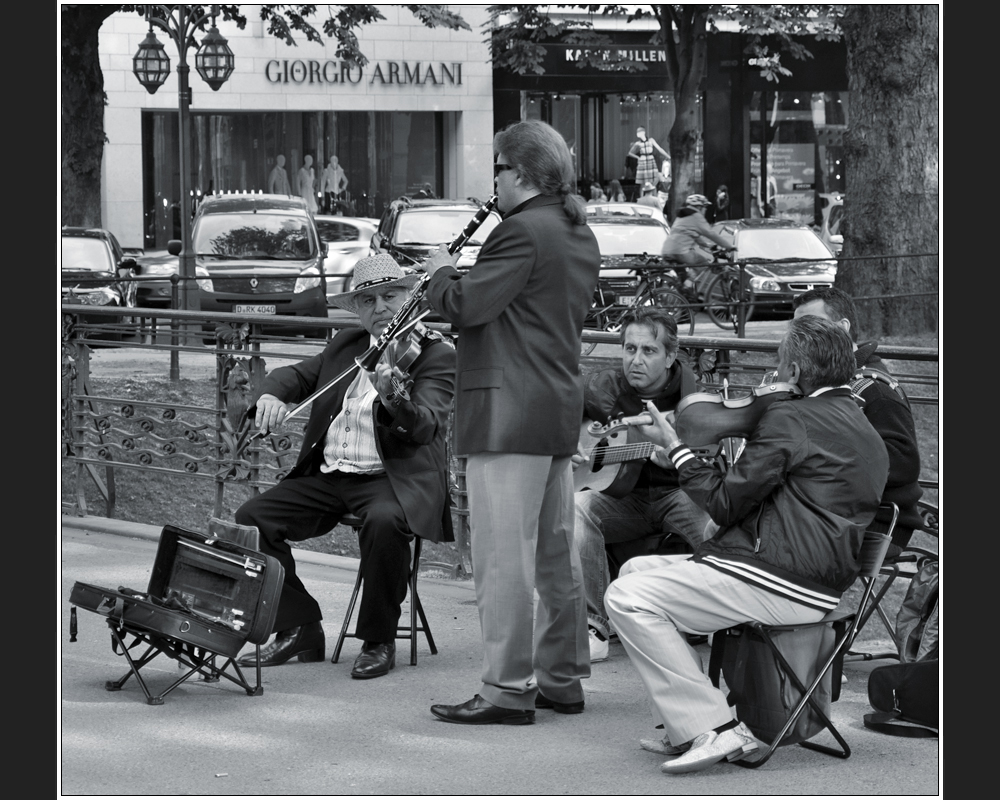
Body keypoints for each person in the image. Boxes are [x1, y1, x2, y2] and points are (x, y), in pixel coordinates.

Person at [604, 315, 889, 775]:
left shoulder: (791, 416)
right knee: (635, 572)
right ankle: (684, 725)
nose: (774, 378)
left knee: (626, 598)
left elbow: (722, 502)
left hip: (780, 579)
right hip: (818, 581)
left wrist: (677, 449)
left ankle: (711, 728)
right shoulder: (860, 422)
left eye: (778, 367)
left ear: (795, 372)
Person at [422, 119, 601, 725]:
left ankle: (506, 689)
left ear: (521, 173)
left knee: (504, 560)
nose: (491, 180)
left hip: (506, 414)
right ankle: (562, 677)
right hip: (553, 409)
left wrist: (443, 270)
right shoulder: (576, 230)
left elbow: (469, 305)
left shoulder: (520, 232)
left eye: (496, 168)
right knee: (555, 555)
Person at [233, 254, 456, 679]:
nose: (381, 309)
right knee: (253, 519)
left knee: (386, 522)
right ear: (357, 310)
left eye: (390, 296)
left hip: (391, 478)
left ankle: (378, 639)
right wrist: (270, 396)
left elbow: (426, 426)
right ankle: (299, 626)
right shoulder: (346, 345)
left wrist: (394, 398)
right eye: (368, 301)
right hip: (332, 473)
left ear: (412, 296)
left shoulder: (435, 354)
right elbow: (294, 375)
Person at [572, 307, 710, 663]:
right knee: (577, 508)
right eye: (629, 349)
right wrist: (567, 439)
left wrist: (676, 451)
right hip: (622, 502)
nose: (636, 360)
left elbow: (708, 452)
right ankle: (594, 626)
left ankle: (717, 616)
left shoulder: (693, 396)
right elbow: (559, 403)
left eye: (648, 351)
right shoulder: (603, 385)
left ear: (670, 356)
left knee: (714, 525)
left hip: (678, 493)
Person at [792, 287, 923, 557]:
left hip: (878, 523)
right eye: (797, 328)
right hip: (828, 513)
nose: (800, 338)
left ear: (842, 327)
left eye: (811, 326)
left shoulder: (875, 390)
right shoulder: (817, 381)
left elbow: (904, 464)